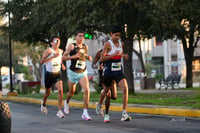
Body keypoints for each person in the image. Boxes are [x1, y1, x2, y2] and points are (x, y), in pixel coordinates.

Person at [96, 26, 131, 122]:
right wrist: (113, 55)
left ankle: (124, 113)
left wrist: (124, 56)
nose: (117, 37)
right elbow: (102, 59)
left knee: (125, 88)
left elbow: (119, 54)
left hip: (118, 71)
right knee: (107, 92)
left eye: (119, 35)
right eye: (116, 35)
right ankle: (100, 105)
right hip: (108, 72)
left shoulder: (120, 43)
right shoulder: (108, 44)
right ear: (111, 34)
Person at [62, 30, 92, 121]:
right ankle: (66, 103)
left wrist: (88, 57)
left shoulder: (85, 46)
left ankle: (85, 112)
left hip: (82, 71)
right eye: (80, 36)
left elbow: (84, 55)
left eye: (83, 36)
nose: (82, 38)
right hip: (73, 72)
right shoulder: (72, 46)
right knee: (72, 92)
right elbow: (63, 57)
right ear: (75, 37)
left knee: (87, 90)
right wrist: (73, 57)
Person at [40, 35, 65, 118]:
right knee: (47, 93)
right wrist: (52, 57)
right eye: (55, 41)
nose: (57, 43)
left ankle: (59, 110)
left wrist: (62, 64)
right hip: (49, 74)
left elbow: (59, 59)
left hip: (57, 73)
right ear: (51, 43)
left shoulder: (61, 51)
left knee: (60, 90)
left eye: (58, 41)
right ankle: (43, 104)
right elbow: (42, 61)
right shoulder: (49, 50)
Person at [92, 37, 117, 117]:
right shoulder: (99, 53)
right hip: (103, 75)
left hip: (113, 75)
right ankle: (104, 110)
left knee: (114, 96)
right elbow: (93, 64)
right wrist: (98, 67)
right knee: (108, 93)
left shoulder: (114, 52)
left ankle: (101, 99)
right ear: (103, 44)